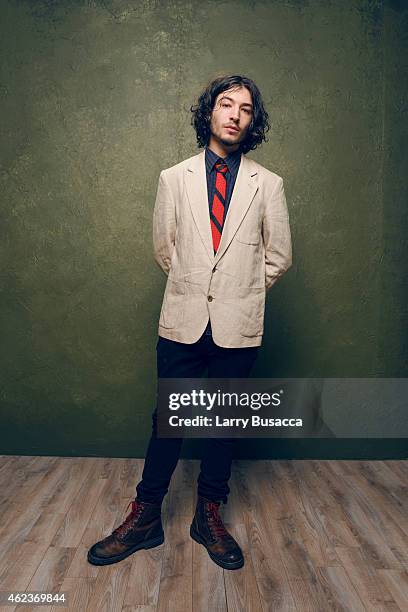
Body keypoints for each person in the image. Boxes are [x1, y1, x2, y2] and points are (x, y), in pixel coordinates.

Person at [88, 74, 292, 571]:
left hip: (237, 325)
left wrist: (236, 294)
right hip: (182, 320)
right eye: (227, 104)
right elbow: (166, 250)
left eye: (246, 109)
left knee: (222, 425)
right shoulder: (173, 178)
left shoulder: (269, 184)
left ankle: (209, 516)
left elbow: (278, 257)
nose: (235, 115)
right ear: (210, 113)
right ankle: (145, 517)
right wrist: (200, 291)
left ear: (253, 122)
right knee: (168, 422)